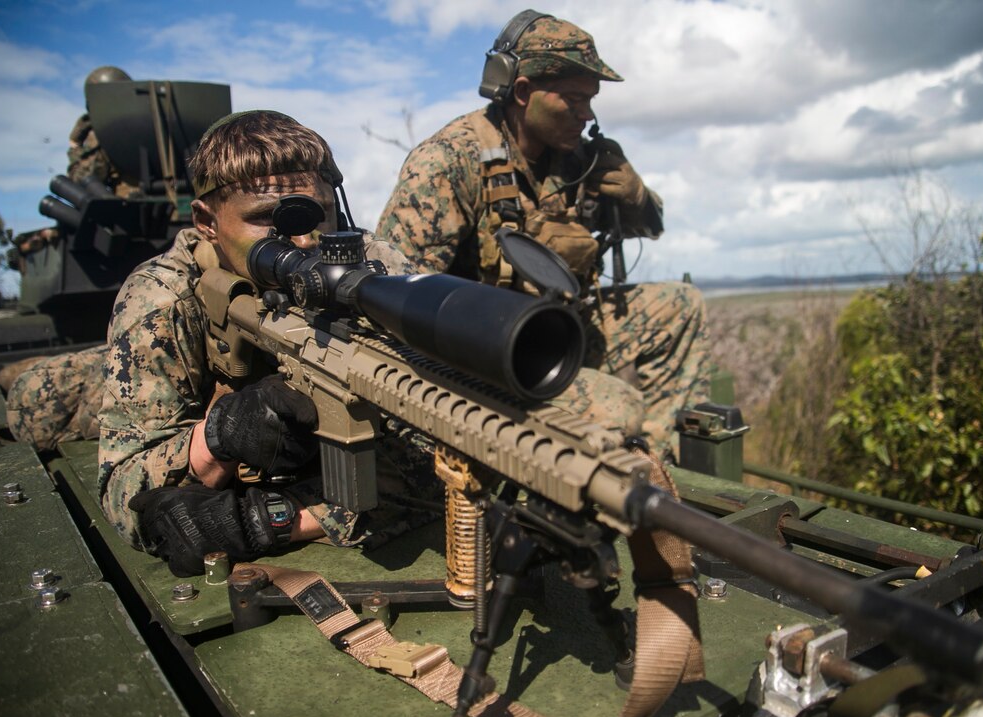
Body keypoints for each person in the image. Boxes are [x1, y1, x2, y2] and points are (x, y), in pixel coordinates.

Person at [95, 110, 643, 577]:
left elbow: (427, 429)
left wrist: (281, 517)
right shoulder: (162, 299)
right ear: (207, 222)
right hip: (173, 391)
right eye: (266, 220)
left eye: (316, 215)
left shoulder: (368, 266)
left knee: (605, 406)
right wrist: (219, 436)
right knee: (41, 400)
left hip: (321, 453)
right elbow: (124, 491)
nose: (302, 242)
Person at [378, 10, 710, 461]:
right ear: (521, 92)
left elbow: (649, 227)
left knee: (682, 307)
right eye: (573, 100)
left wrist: (638, 198)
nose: (586, 114)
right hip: (481, 357)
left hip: (556, 329)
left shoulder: (576, 161)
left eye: (590, 101)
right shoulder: (448, 161)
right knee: (618, 404)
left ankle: (656, 466)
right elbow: (396, 296)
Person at [67, 66, 140, 198]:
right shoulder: (158, 122)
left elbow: (84, 178)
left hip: (133, 209)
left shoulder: (106, 132)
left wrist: (74, 147)